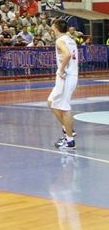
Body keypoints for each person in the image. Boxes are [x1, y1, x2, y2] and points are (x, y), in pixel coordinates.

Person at [48, 19, 78, 149]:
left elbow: (67, 54)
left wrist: (60, 70)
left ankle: (70, 141)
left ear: (56, 28)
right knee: (51, 102)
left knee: (64, 108)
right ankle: (68, 129)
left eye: (52, 27)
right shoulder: (71, 39)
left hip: (67, 76)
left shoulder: (60, 40)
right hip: (69, 76)